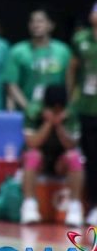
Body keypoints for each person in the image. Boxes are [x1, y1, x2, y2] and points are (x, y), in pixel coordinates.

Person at [19, 85, 84, 226]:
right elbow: (32, 142)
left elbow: (72, 145)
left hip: (60, 162)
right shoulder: (33, 112)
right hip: (41, 159)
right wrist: (48, 123)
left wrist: (59, 126)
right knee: (32, 155)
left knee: (74, 157)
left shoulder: (71, 114)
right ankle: (29, 205)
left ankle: (74, 207)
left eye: (59, 108)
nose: (56, 111)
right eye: (52, 108)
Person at [4, 9, 72, 111]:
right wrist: (28, 108)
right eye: (32, 21)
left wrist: (66, 108)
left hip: (57, 112)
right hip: (26, 110)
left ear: (50, 25)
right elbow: (11, 84)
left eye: (40, 21)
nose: (36, 25)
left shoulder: (63, 51)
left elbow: (70, 81)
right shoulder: (17, 51)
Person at [67, 2, 97, 226]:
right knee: (85, 156)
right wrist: (71, 97)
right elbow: (72, 68)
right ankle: (80, 204)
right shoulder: (81, 39)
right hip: (85, 108)